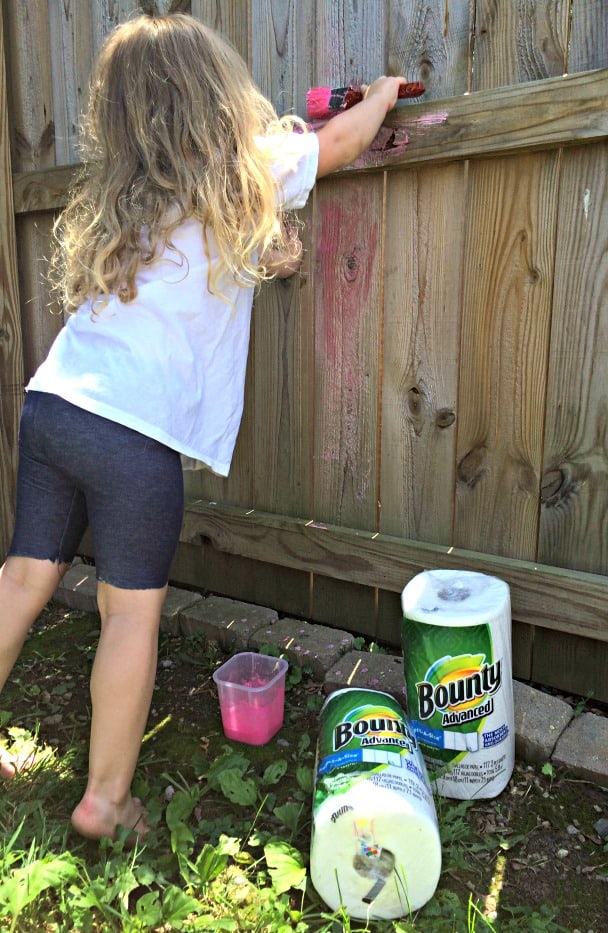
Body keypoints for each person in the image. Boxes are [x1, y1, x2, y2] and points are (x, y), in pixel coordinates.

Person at [0, 12, 406, 840]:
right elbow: (341, 144)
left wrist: (268, 261)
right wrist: (386, 95)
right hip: (129, 438)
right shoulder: (245, 165)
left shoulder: (127, 197)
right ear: (215, 94)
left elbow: (198, 272)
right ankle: (105, 802)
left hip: (53, 406)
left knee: (20, 581)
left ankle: (97, 789)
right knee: (129, 614)